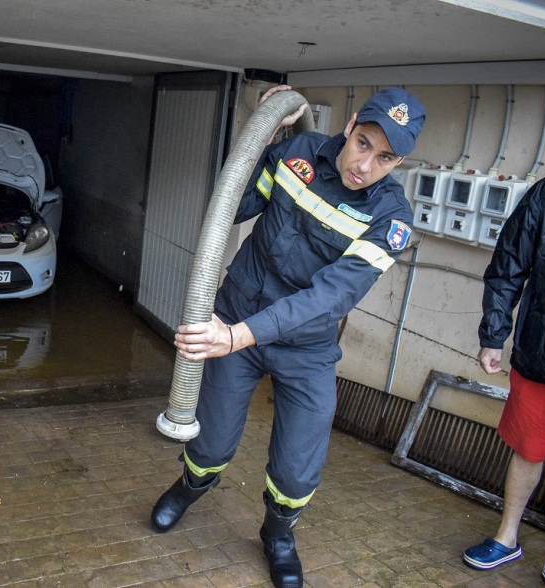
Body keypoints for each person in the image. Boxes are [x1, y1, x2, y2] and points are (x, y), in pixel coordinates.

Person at [150, 86, 426, 588]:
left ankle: (278, 536)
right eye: (363, 143)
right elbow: (229, 206)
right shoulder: (297, 153)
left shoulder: (392, 220)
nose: (365, 164)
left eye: (385, 157)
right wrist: (264, 131)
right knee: (209, 442)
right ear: (349, 128)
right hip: (237, 313)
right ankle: (189, 487)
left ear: (399, 161)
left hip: (306, 346)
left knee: (298, 468)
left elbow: (330, 298)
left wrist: (238, 337)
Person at [462, 173, 545, 587]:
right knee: (528, 449)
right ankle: (506, 536)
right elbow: (509, 264)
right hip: (543, 352)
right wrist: (493, 335)